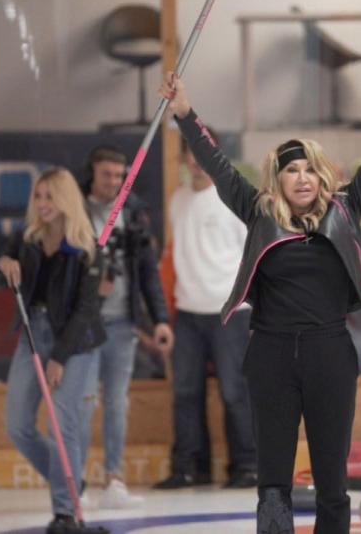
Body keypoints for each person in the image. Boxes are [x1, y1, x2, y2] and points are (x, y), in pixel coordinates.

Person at [160, 60, 361, 533]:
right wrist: (184, 112)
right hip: (270, 353)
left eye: (310, 170)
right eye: (291, 171)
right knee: (273, 481)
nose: (302, 178)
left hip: (330, 353)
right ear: (277, 179)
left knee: (331, 478)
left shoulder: (348, 208)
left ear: (323, 177)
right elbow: (217, 166)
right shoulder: (258, 212)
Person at [0, 168, 106, 534]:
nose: (42, 204)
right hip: (33, 333)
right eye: (38, 197)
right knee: (17, 425)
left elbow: (86, 310)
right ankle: (72, 481)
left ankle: (65, 511)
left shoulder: (87, 248)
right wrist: (6, 264)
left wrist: (59, 357)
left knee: (63, 422)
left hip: (76, 342)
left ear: (65, 200)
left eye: (49, 196)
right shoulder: (27, 238)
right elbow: (4, 257)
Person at [153, 130, 258, 490]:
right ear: (184, 159)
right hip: (187, 311)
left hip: (230, 310)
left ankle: (246, 467)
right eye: (191, 154)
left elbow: (255, 256)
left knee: (234, 391)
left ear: (216, 156)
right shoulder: (177, 200)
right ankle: (188, 469)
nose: (196, 161)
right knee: (184, 391)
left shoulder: (234, 199)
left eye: (204, 153)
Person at [81, 145, 173, 507]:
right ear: (92, 172)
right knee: (84, 402)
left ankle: (114, 478)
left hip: (123, 324)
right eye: (107, 174)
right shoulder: (77, 209)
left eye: (120, 176)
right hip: (84, 325)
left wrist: (161, 320)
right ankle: (78, 481)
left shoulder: (132, 213)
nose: (114, 182)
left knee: (117, 402)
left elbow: (148, 271)